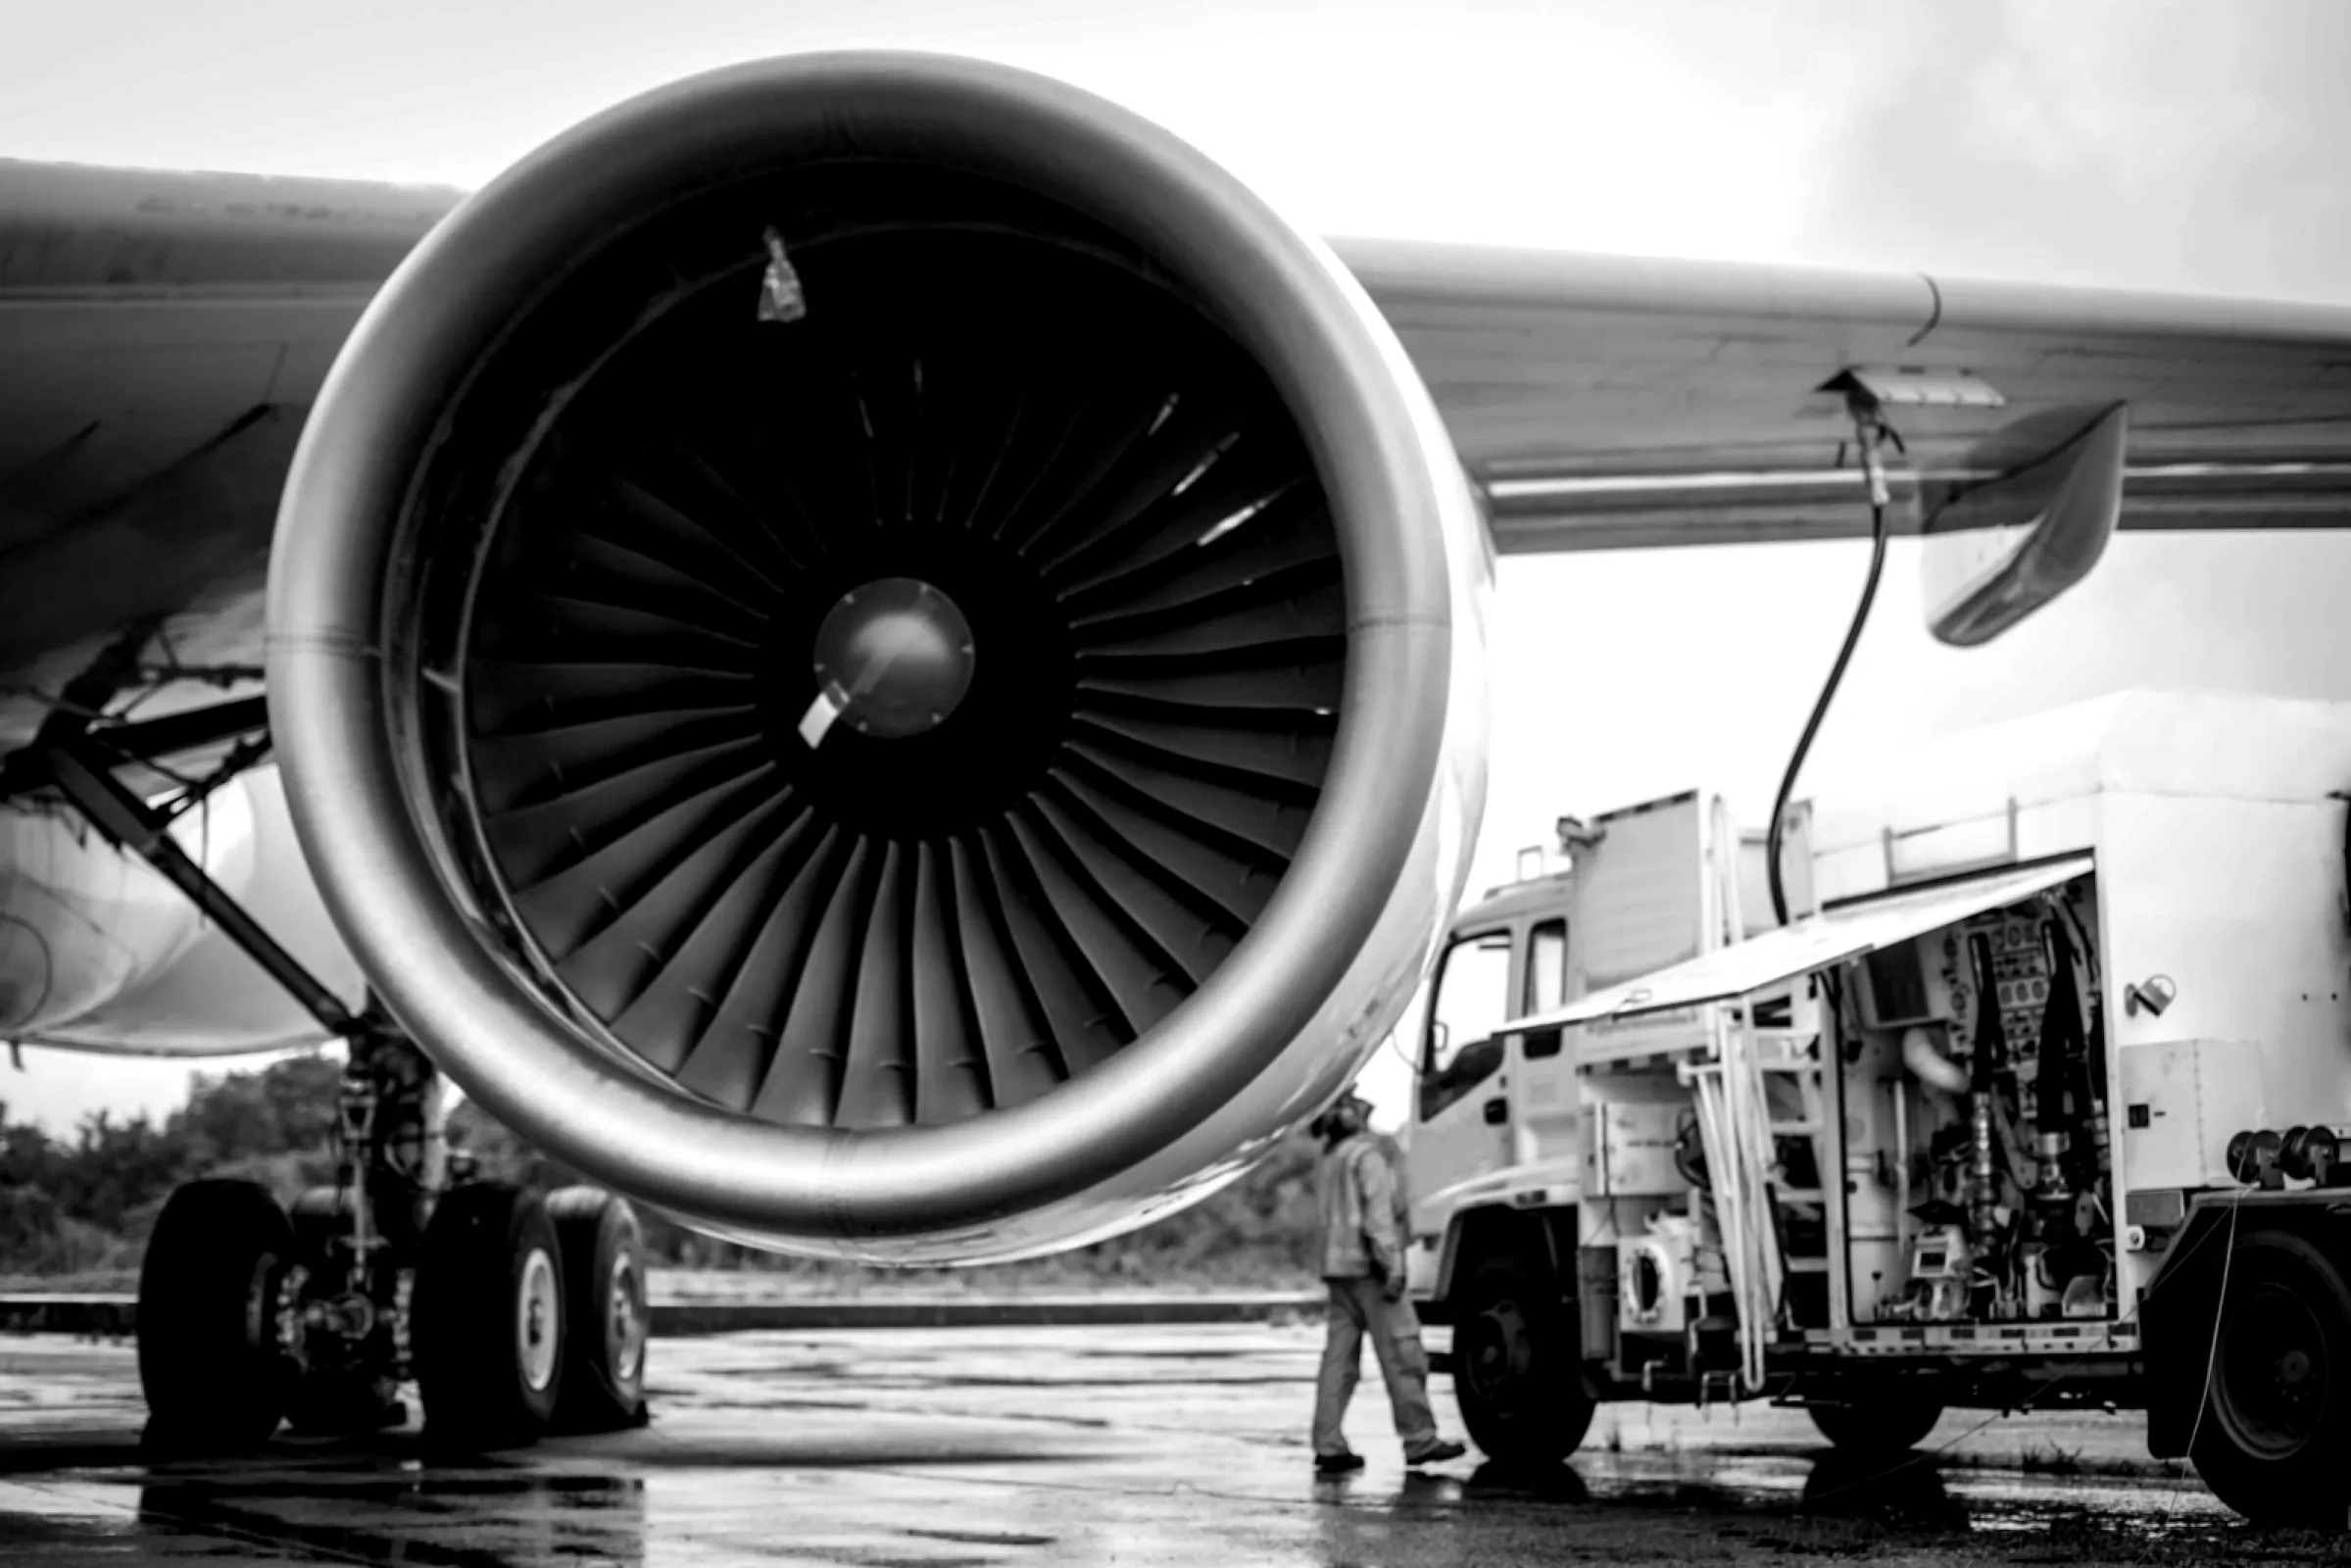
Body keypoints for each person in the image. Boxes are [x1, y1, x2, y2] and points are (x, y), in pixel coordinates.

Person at [1308, 1090, 1468, 1476]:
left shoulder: (1331, 1159)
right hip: (1372, 1274)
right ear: (1349, 1115)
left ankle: (1328, 1445)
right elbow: (1378, 1220)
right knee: (1404, 1356)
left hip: (1338, 1272)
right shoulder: (1367, 1158)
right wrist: (1393, 1267)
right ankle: (1420, 1439)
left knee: (1338, 1364)